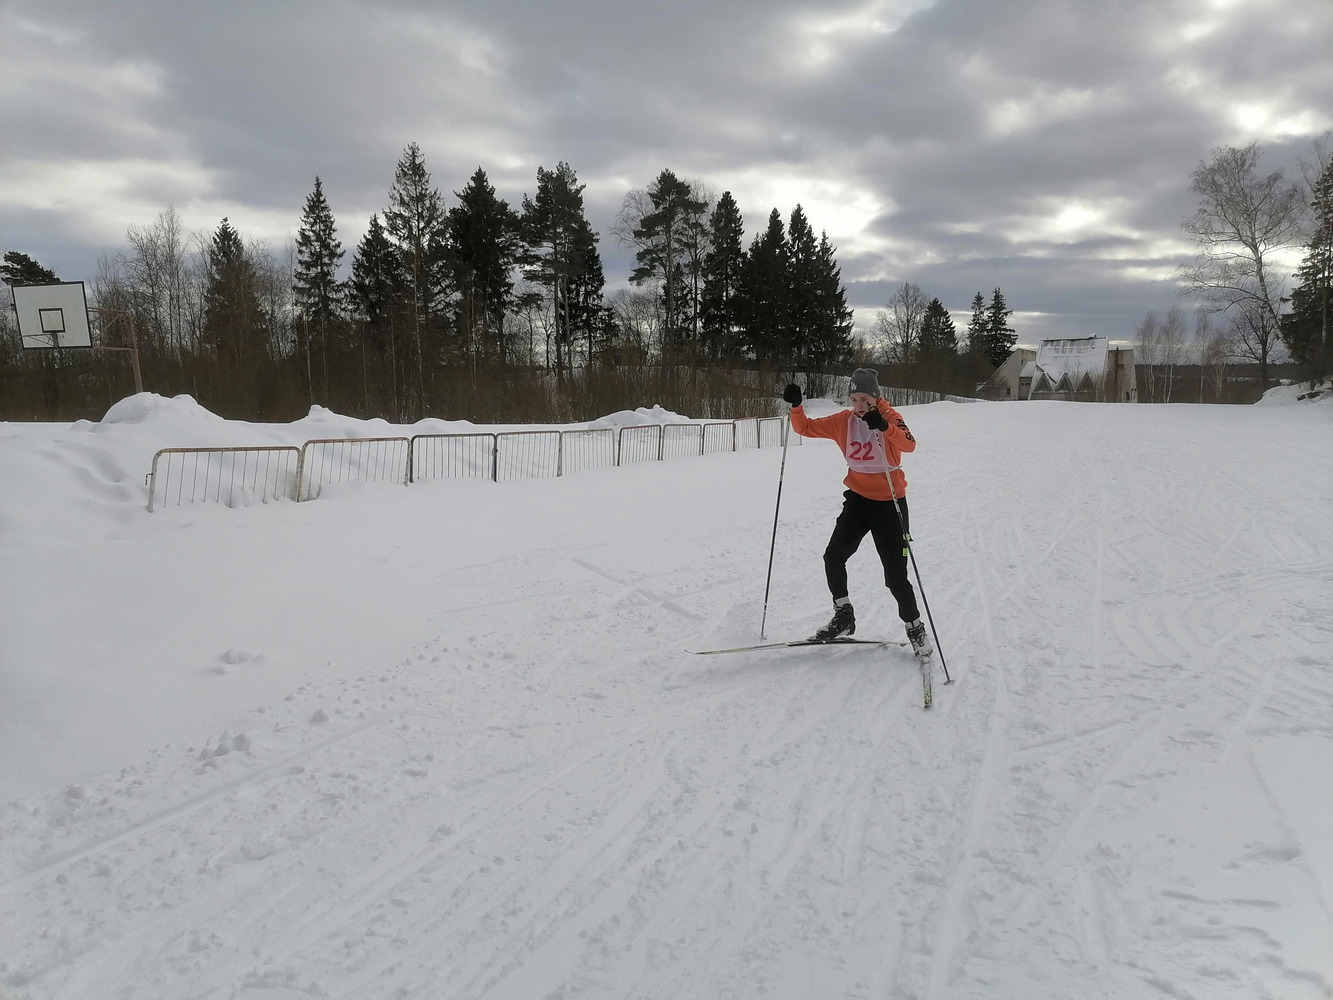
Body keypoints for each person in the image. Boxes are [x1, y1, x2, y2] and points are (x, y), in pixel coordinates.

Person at [783, 368, 932, 659]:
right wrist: (796, 406)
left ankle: (915, 629)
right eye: (854, 399)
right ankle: (844, 614)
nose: (859, 406)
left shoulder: (889, 416)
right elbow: (805, 429)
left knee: (895, 576)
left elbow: (909, 444)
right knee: (833, 556)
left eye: (865, 399)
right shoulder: (845, 421)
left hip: (889, 503)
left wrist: (884, 427)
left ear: (876, 397)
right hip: (858, 501)